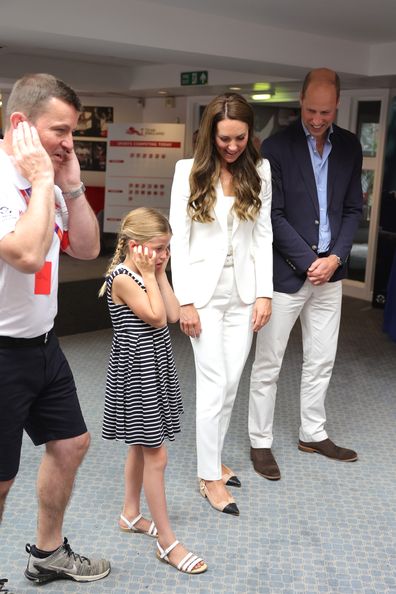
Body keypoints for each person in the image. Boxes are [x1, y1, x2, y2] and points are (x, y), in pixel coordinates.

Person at [0, 73, 110, 584]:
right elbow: (24, 254)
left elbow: (88, 249)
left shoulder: (54, 178)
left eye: (73, 132)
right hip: (1, 351)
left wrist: (70, 187)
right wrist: (43, 182)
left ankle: (47, 555)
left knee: (71, 444)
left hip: (44, 344)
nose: (70, 143)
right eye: (60, 131)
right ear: (21, 125)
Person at [248, 68, 363, 480]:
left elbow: (352, 210)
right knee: (269, 362)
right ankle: (260, 441)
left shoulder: (349, 146)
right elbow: (271, 215)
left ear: (337, 106)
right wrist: (307, 259)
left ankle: (312, 432)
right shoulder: (276, 148)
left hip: (330, 274)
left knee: (321, 359)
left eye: (326, 112)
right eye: (312, 110)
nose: (318, 119)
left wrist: (334, 258)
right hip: (288, 274)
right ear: (300, 102)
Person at [169, 93, 273, 515]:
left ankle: (212, 460)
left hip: (244, 293)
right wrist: (185, 302)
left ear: (251, 134)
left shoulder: (261, 170)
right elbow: (178, 237)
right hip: (204, 297)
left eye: (240, 138)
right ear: (211, 135)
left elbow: (263, 235)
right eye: (225, 138)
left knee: (231, 382)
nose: (232, 146)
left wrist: (264, 292)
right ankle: (209, 475)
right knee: (213, 383)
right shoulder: (187, 171)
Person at [99, 207, 207, 575]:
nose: (163, 254)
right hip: (137, 369)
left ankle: (131, 514)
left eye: (166, 249)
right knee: (156, 456)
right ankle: (167, 542)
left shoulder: (149, 270)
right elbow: (157, 318)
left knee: (140, 445)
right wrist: (148, 272)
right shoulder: (124, 277)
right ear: (135, 245)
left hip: (154, 363)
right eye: (158, 248)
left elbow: (174, 314)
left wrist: (159, 273)